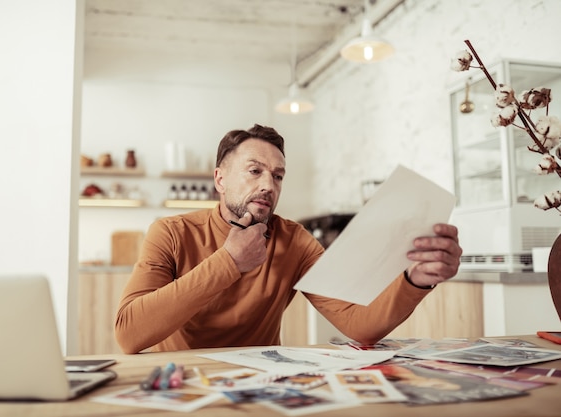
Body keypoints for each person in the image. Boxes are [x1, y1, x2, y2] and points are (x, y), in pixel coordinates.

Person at [115, 124, 462, 353]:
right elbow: (129, 335)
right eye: (254, 171)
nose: (268, 185)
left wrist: (415, 280)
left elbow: (360, 326)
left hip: (259, 384)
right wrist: (229, 262)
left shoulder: (294, 241)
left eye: (278, 176)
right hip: (181, 382)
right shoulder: (172, 232)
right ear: (220, 180)